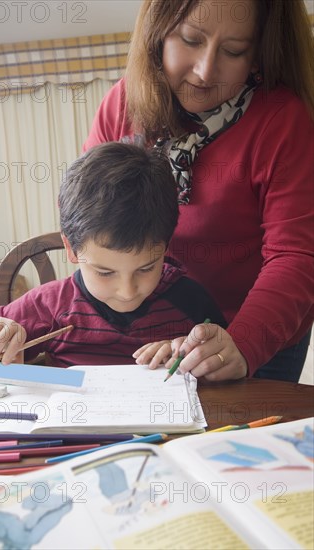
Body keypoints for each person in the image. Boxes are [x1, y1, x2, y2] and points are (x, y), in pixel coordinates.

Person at [83, 0, 314, 382]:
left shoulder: (284, 120)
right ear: (157, 34)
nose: (206, 72)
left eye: (234, 51)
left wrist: (242, 342)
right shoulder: (121, 105)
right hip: (148, 328)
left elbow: (297, 254)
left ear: (257, 55)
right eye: (191, 39)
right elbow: (89, 222)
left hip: (254, 329)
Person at [0, 142, 226, 374]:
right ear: (71, 249)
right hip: (76, 435)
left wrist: (189, 354)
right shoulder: (51, 305)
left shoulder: (190, 300)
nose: (127, 292)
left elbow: (227, 362)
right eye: (105, 272)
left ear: (165, 247)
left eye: (146, 268)